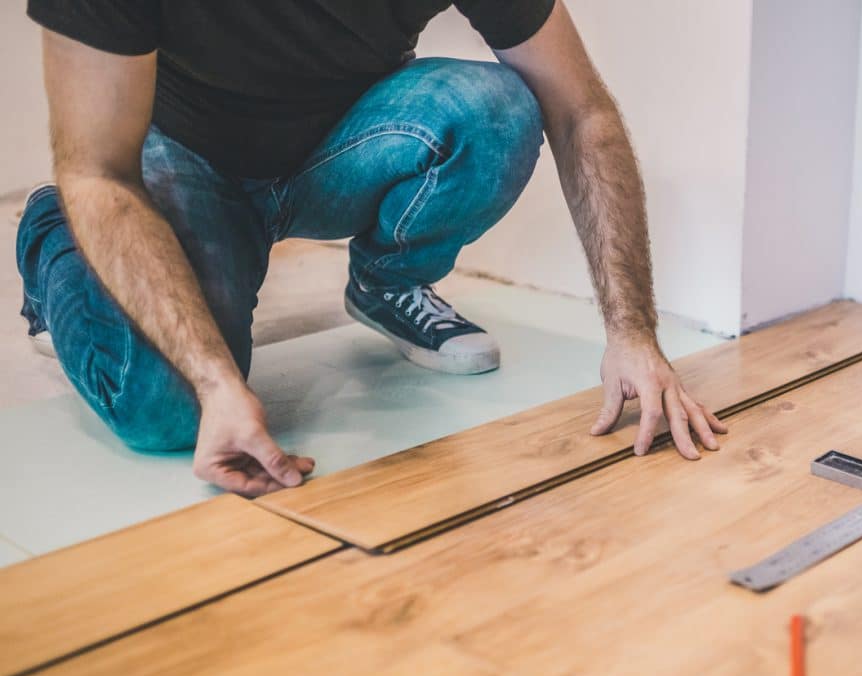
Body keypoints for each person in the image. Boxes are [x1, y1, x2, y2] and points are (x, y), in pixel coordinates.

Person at [18, 0, 727, 496]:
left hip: (340, 148)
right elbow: (98, 169)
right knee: (166, 411)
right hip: (181, 157)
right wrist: (211, 381)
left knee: (498, 111)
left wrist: (632, 331)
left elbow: (582, 111)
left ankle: (387, 284)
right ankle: (59, 238)